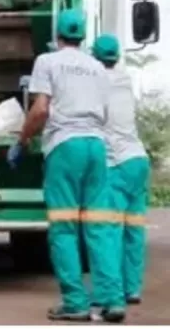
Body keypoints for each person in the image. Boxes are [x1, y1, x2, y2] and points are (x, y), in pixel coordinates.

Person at [7, 9, 125, 323]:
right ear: (83, 36)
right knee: (98, 226)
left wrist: (22, 141)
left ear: (57, 35)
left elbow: (40, 109)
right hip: (95, 148)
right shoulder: (98, 68)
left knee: (64, 228)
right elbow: (106, 112)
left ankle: (75, 303)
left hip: (65, 148)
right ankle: (112, 300)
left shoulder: (48, 62)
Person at [92, 33, 150, 306]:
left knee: (110, 229)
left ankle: (109, 292)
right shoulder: (127, 79)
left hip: (115, 163)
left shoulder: (93, 82)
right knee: (134, 227)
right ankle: (133, 288)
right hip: (138, 159)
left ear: (95, 56)